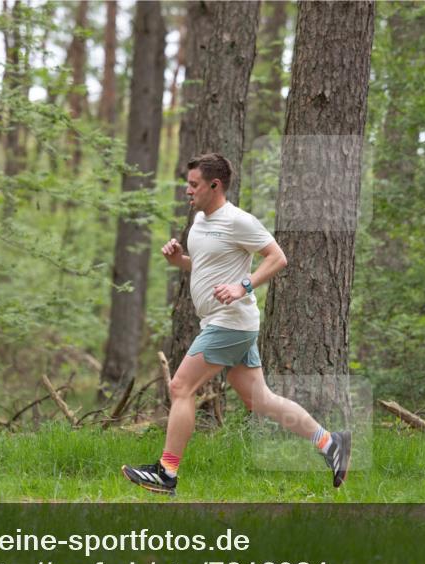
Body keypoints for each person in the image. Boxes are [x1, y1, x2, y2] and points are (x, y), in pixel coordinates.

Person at [122, 153, 351, 495]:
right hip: (223, 322)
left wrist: (243, 285)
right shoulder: (199, 222)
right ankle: (330, 443)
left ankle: (166, 473)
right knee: (259, 400)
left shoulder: (238, 221)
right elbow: (202, 267)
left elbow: (278, 257)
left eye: (194, 184)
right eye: (188, 183)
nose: (188, 190)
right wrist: (178, 260)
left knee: (180, 387)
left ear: (215, 186)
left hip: (230, 322)